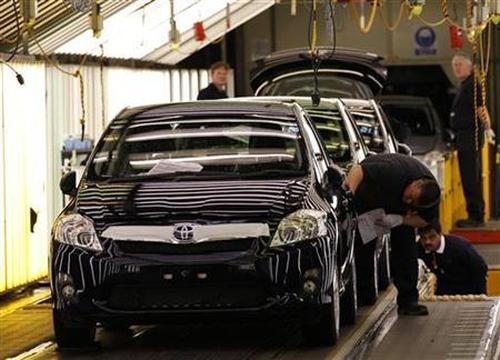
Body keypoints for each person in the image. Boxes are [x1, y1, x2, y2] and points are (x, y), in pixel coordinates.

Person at [344, 153, 441, 316]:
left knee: (406, 248)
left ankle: (408, 301)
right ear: (416, 183)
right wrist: (349, 196)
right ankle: (362, 294)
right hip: (370, 193)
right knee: (363, 245)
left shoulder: (430, 198)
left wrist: (401, 220)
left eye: (413, 203)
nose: (409, 201)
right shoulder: (394, 172)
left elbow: (423, 221)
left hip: (398, 210)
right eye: (410, 197)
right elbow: (357, 170)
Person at [450, 53, 494, 228]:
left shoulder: (472, 85)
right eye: (454, 65)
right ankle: (474, 212)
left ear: (469, 67)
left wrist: (487, 127)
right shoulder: (465, 85)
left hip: (470, 135)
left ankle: (476, 214)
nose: (457, 68)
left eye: (460, 64)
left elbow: (481, 109)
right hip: (464, 135)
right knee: (468, 175)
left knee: (470, 176)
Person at [417, 221, 487, 295]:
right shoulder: (419, 248)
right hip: (441, 295)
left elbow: (480, 267)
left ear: (440, 234)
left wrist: (480, 295)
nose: (427, 242)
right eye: (423, 238)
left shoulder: (460, 247)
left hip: (466, 293)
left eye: (432, 237)